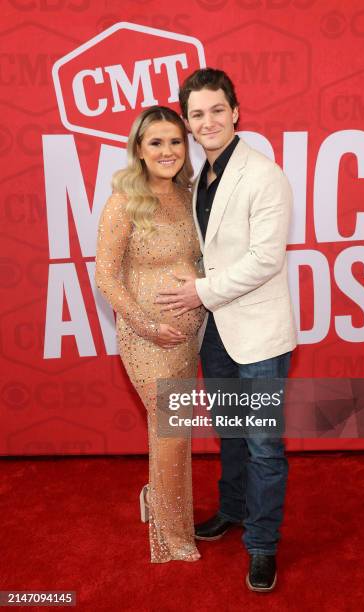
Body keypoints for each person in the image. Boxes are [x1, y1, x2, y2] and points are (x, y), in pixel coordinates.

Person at [156, 69, 297, 590]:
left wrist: (199, 292)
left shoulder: (263, 174)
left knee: (263, 444)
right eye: (197, 114)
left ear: (235, 111)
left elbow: (265, 259)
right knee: (231, 432)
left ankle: (262, 545)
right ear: (189, 124)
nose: (208, 120)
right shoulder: (201, 178)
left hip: (258, 332)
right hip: (216, 330)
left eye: (217, 109)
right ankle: (233, 509)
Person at [95, 106, 206, 563]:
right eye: (156, 142)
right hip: (148, 339)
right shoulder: (124, 201)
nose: (167, 151)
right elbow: (106, 276)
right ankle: (172, 536)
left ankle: (158, 500)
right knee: (172, 431)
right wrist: (146, 325)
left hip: (189, 335)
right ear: (139, 149)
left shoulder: (188, 195)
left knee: (176, 431)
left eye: (175, 141)